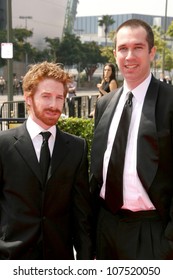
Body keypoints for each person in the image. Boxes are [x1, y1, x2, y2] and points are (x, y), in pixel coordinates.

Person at [90, 19, 173, 260]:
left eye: (138, 47)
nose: (129, 56)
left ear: (152, 52)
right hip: (106, 228)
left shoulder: (169, 102)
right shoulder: (105, 103)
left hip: (152, 233)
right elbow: (98, 171)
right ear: (115, 53)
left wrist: (168, 243)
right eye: (123, 48)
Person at [0, 61, 93, 260]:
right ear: (28, 98)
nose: (54, 105)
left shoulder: (77, 148)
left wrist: (86, 265)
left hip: (59, 261)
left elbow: (81, 215)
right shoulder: (3, 145)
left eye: (59, 98)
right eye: (46, 96)